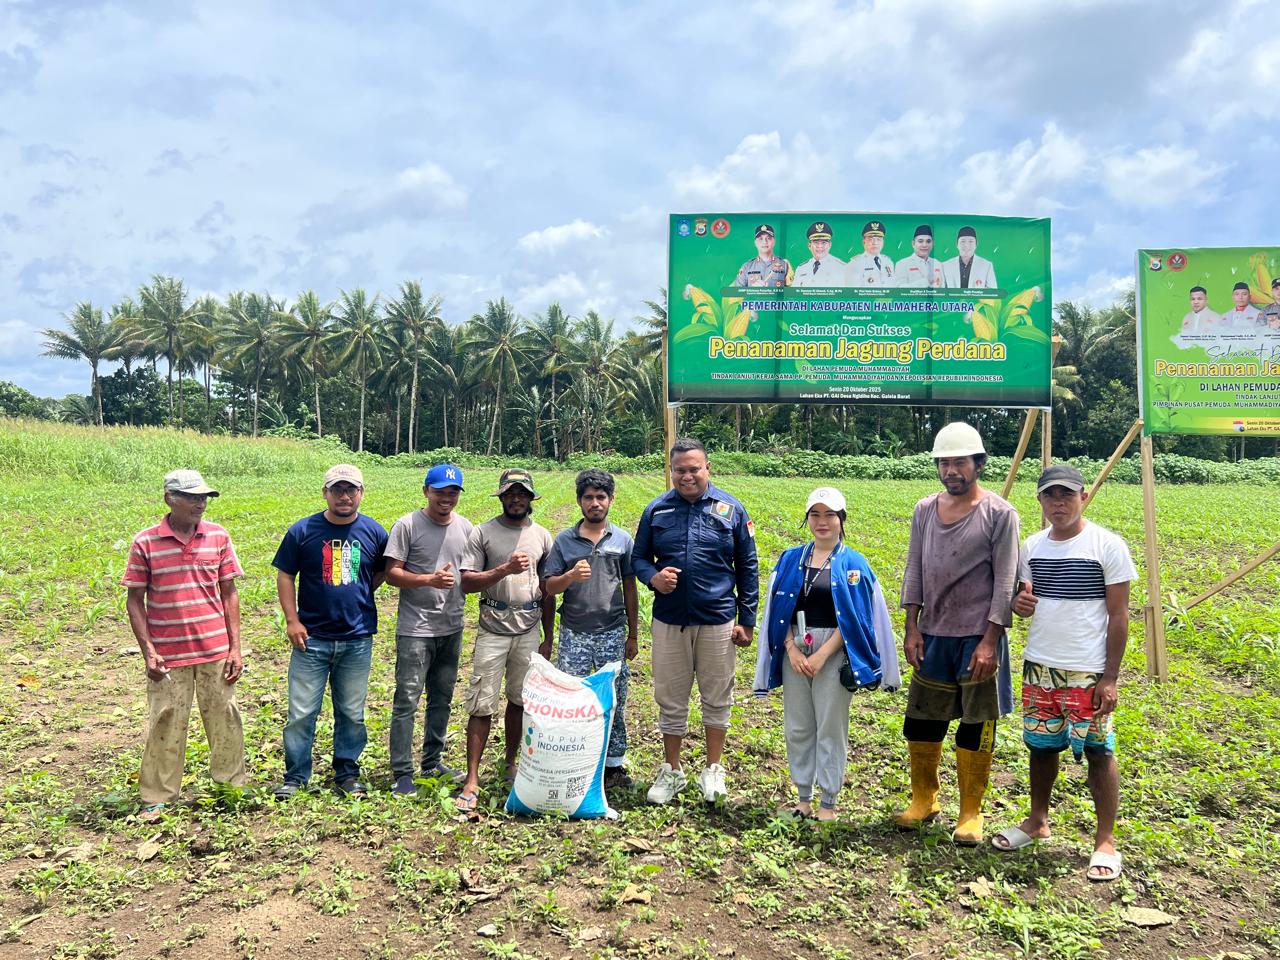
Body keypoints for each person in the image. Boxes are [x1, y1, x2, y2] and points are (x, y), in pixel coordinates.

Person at [992, 464, 1136, 883]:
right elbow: (1024, 602)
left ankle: (1105, 840)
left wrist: (1110, 677)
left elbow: (1119, 615)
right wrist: (1019, 606)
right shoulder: (1031, 547)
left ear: (1083, 497)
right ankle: (1037, 821)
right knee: (1041, 747)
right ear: (1039, 501)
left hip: (1088, 671)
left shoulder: (1107, 545)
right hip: (1040, 666)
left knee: (1099, 752)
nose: (1059, 503)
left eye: (1067, 495)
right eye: (1050, 495)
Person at [896, 422, 1019, 845]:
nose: (951, 470)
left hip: (977, 638)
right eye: (944, 463)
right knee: (921, 720)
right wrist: (911, 626)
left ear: (978, 464)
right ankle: (924, 800)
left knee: (976, 722)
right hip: (933, 633)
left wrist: (990, 640)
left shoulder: (1000, 514)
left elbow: (1005, 582)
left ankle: (970, 812)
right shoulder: (924, 509)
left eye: (960, 462)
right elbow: (915, 569)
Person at [753, 487, 900, 820]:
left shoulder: (853, 563)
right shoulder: (790, 558)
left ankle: (828, 803)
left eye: (830, 515)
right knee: (798, 725)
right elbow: (778, 610)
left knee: (831, 726)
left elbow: (857, 618)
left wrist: (822, 655)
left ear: (841, 519)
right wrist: (791, 648)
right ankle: (803, 798)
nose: (822, 522)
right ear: (807, 519)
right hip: (795, 649)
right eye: (815, 515)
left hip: (833, 650)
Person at [632, 437, 759, 804]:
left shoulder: (731, 510)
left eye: (694, 469)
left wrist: (747, 619)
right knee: (670, 697)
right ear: (671, 471)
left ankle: (713, 769)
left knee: (717, 696)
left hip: (718, 620)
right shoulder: (656, 510)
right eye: (679, 470)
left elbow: (748, 566)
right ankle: (672, 770)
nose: (687, 476)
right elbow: (638, 558)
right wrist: (653, 577)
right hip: (669, 620)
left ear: (707, 468)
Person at [123, 469, 246, 818]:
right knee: (166, 720)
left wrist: (235, 647)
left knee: (225, 718)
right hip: (168, 654)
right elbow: (135, 601)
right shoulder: (146, 542)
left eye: (203, 497)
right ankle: (157, 796)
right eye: (192, 497)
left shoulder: (218, 536)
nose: (200, 503)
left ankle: (231, 788)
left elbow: (229, 593)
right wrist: (148, 651)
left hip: (214, 650)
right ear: (169, 499)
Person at [272, 464, 388, 799]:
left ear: (361, 493)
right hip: (311, 639)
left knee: (352, 712)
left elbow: (382, 571)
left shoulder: (374, 532)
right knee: (301, 713)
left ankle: (347, 774)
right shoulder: (303, 531)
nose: (344, 496)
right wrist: (292, 620)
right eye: (337, 489)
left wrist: (360, 592)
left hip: (357, 638)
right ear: (325, 493)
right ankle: (295, 777)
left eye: (351, 489)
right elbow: (285, 575)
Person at [455, 468, 554, 812]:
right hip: (492, 628)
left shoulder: (542, 536)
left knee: (520, 700)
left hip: (528, 628)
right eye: (510, 493)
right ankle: (472, 778)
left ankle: (510, 763)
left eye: (522, 493)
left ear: (531, 498)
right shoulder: (482, 533)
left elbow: (548, 590)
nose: (516, 499)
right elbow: (467, 583)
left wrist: (548, 637)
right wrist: (503, 570)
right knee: (482, 702)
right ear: (501, 497)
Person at [542, 468, 639, 790]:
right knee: (573, 698)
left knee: (614, 698)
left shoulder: (622, 540)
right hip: (574, 634)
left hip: (612, 631)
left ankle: (613, 765)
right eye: (588, 497)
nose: (595, 503)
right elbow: (550, 587)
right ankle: (574, 759)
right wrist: (570, 576)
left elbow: (629, 588)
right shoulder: (564, 541)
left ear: (611, 500)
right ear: (579, 501)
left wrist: (633, 634)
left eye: (601, 497)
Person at [384, 463, 474, 795]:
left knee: (442, 698)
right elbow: (392, 574)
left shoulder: (465, 527)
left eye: (452, 492)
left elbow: (472, 571)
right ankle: (402, 772)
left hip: (452, 626)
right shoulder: (407, 525)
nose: (446, 498)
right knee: (407, 699)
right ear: (426, 491)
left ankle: (432, 762)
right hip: (416, 629)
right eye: (439, 492)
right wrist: (428, 580)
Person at [733, 223, 793, 288]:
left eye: (768, 238)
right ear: (755, 242)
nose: (764, 242)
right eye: (760, 239)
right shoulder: (746, 267)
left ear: (774, 241)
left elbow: (793, 291)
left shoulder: (784, 265)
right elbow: (736, 292)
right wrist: (752, 290)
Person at [791, 221, 848, 287]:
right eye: (816, 242)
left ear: (830, 245)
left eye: (824, 242)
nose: (820, 246)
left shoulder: (841, 268)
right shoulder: (801, 268)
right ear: (809, 245)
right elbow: (794, 292)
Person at [844, 220, 895, 286]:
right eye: (870, 239)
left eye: (878, 239)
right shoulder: (854, 264)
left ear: (883, 242)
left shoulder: (888, 262)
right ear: (864, 242)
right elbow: (851, 291)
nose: (875, 243)